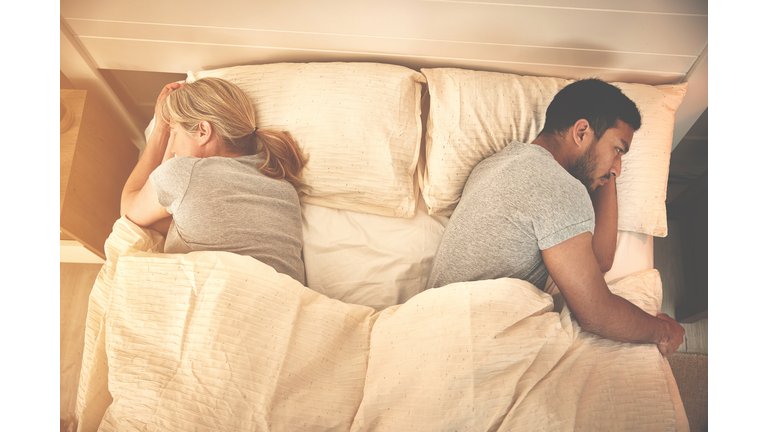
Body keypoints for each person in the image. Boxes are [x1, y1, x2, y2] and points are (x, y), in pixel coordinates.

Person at [426, 78, 685, 356]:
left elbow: (596, 259)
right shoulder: (561, 188)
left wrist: (602, 167)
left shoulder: (497, 163)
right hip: (466, 338)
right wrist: (665, 332)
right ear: (582, 131)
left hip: (431, 318)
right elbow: (596, 309)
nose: (618, 169)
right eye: (618, 150)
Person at [120, 77, 307, 285]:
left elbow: (128, 209)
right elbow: (187, 223)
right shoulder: (283, 184)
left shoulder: (184, 173)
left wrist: (161, 129)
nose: (173, 149)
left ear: (203, 132)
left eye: (176, 134)